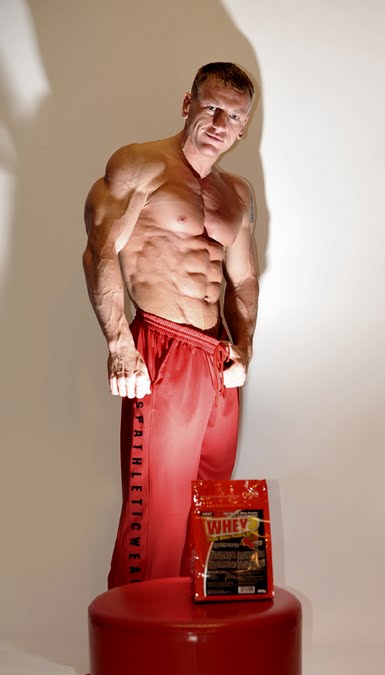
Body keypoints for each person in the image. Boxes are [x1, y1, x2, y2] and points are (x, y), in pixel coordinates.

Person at [82, 63, 258, 589]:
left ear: (244, 128)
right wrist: (119, 344)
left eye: (234, 117)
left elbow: (244, 279)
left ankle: (197, 629)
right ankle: (139, 633)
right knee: (156, 512)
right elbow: (99, 252)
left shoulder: (238, 193)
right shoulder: (140, 164)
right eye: (211, 108)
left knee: (212, 503)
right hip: (161, 345)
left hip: (216, 357)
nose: (220, 123)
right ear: (187, 104)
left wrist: (244, 346)